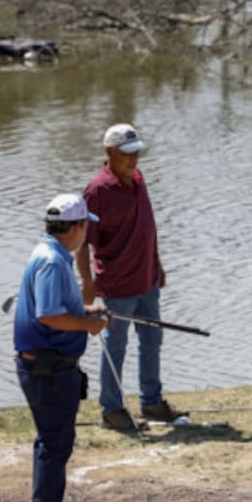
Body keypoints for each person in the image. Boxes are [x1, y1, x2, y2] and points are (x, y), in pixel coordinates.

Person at [14, 193, 110, 502]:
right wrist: (88, 324)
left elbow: (56, 308)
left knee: (55, 443)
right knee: (54, 445)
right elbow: (49, 316)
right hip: (48, 369)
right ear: (77, 226)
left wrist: (87, 310)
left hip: (49, 366)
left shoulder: (51, 255)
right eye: (87, 226)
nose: (88, 233)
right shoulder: (53, 262)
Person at [76, 123, 186, 430]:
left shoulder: (138, 179)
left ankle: (151, 403)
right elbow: (82, 243)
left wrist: (158, 264)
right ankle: (112, 409)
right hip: (119, 286)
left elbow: (148, 226)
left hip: (147, 280)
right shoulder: (98, 191)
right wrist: (87, 283)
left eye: (136, 153)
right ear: (109, 152)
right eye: (127, 154)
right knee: (116, 346)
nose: (133, 160)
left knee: (152, 339)